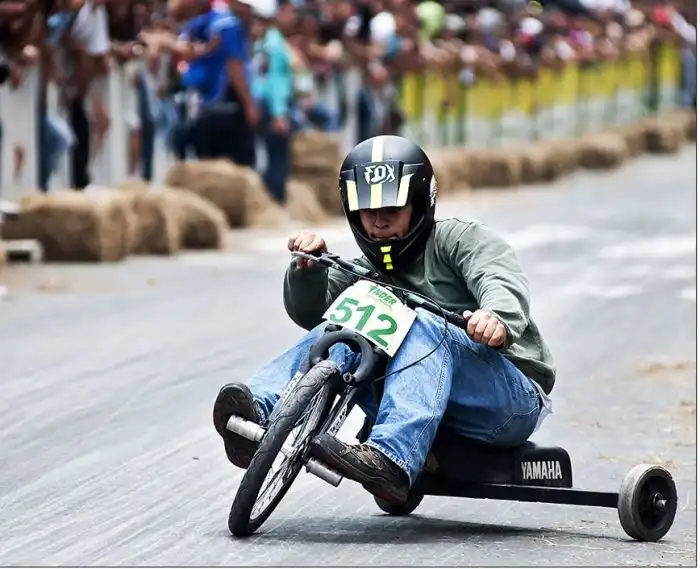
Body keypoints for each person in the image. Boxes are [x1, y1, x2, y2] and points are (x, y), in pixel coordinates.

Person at [213, 135, 555, 504]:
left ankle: (390, 457)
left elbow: (499, 277)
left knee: (422, 322)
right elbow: (310, 314)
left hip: (507, 401)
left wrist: (496, 317)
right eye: (368, 210)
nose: (378, 221)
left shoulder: (457, 238)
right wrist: (308, 270)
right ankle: (258, 412)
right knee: (344, 326)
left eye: (391, 208)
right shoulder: (363, 272)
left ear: (419, 203)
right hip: (433, 404)